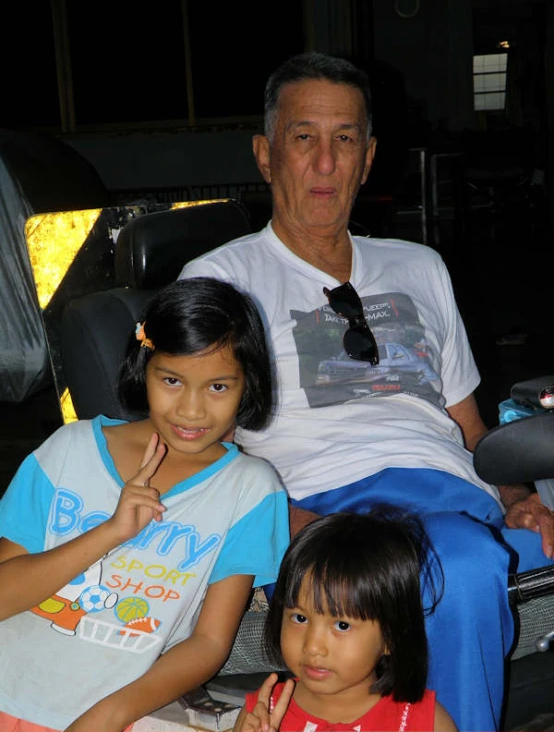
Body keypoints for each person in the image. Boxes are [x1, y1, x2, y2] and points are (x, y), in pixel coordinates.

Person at [179, 52, 554, 731]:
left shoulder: (421, 266)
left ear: (368, 155)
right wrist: (293, 530)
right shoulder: (221, 279)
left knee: (472, 545)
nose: (325, 163)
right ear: (266, 155)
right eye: (303, 138)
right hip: (322, 507)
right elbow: (196, 449)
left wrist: (521, 498)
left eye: (345, 139)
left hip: (453, 497)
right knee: (464, 565)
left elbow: (468, 426)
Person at [0, 278, 290, 732]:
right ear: (143, 367)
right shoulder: (68, 450)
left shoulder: (251, 489)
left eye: (217, 387)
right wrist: (110, 532)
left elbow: (210, 643)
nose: (191, 410)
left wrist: (109, 714)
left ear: (248, 384)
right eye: (172, 380)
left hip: (122, 716)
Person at [234, 509, 457, 732]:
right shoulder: (259, 716)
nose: (313, 646)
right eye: (300, 618)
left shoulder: (426, 723)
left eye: (342, 625)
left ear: (391, 635)